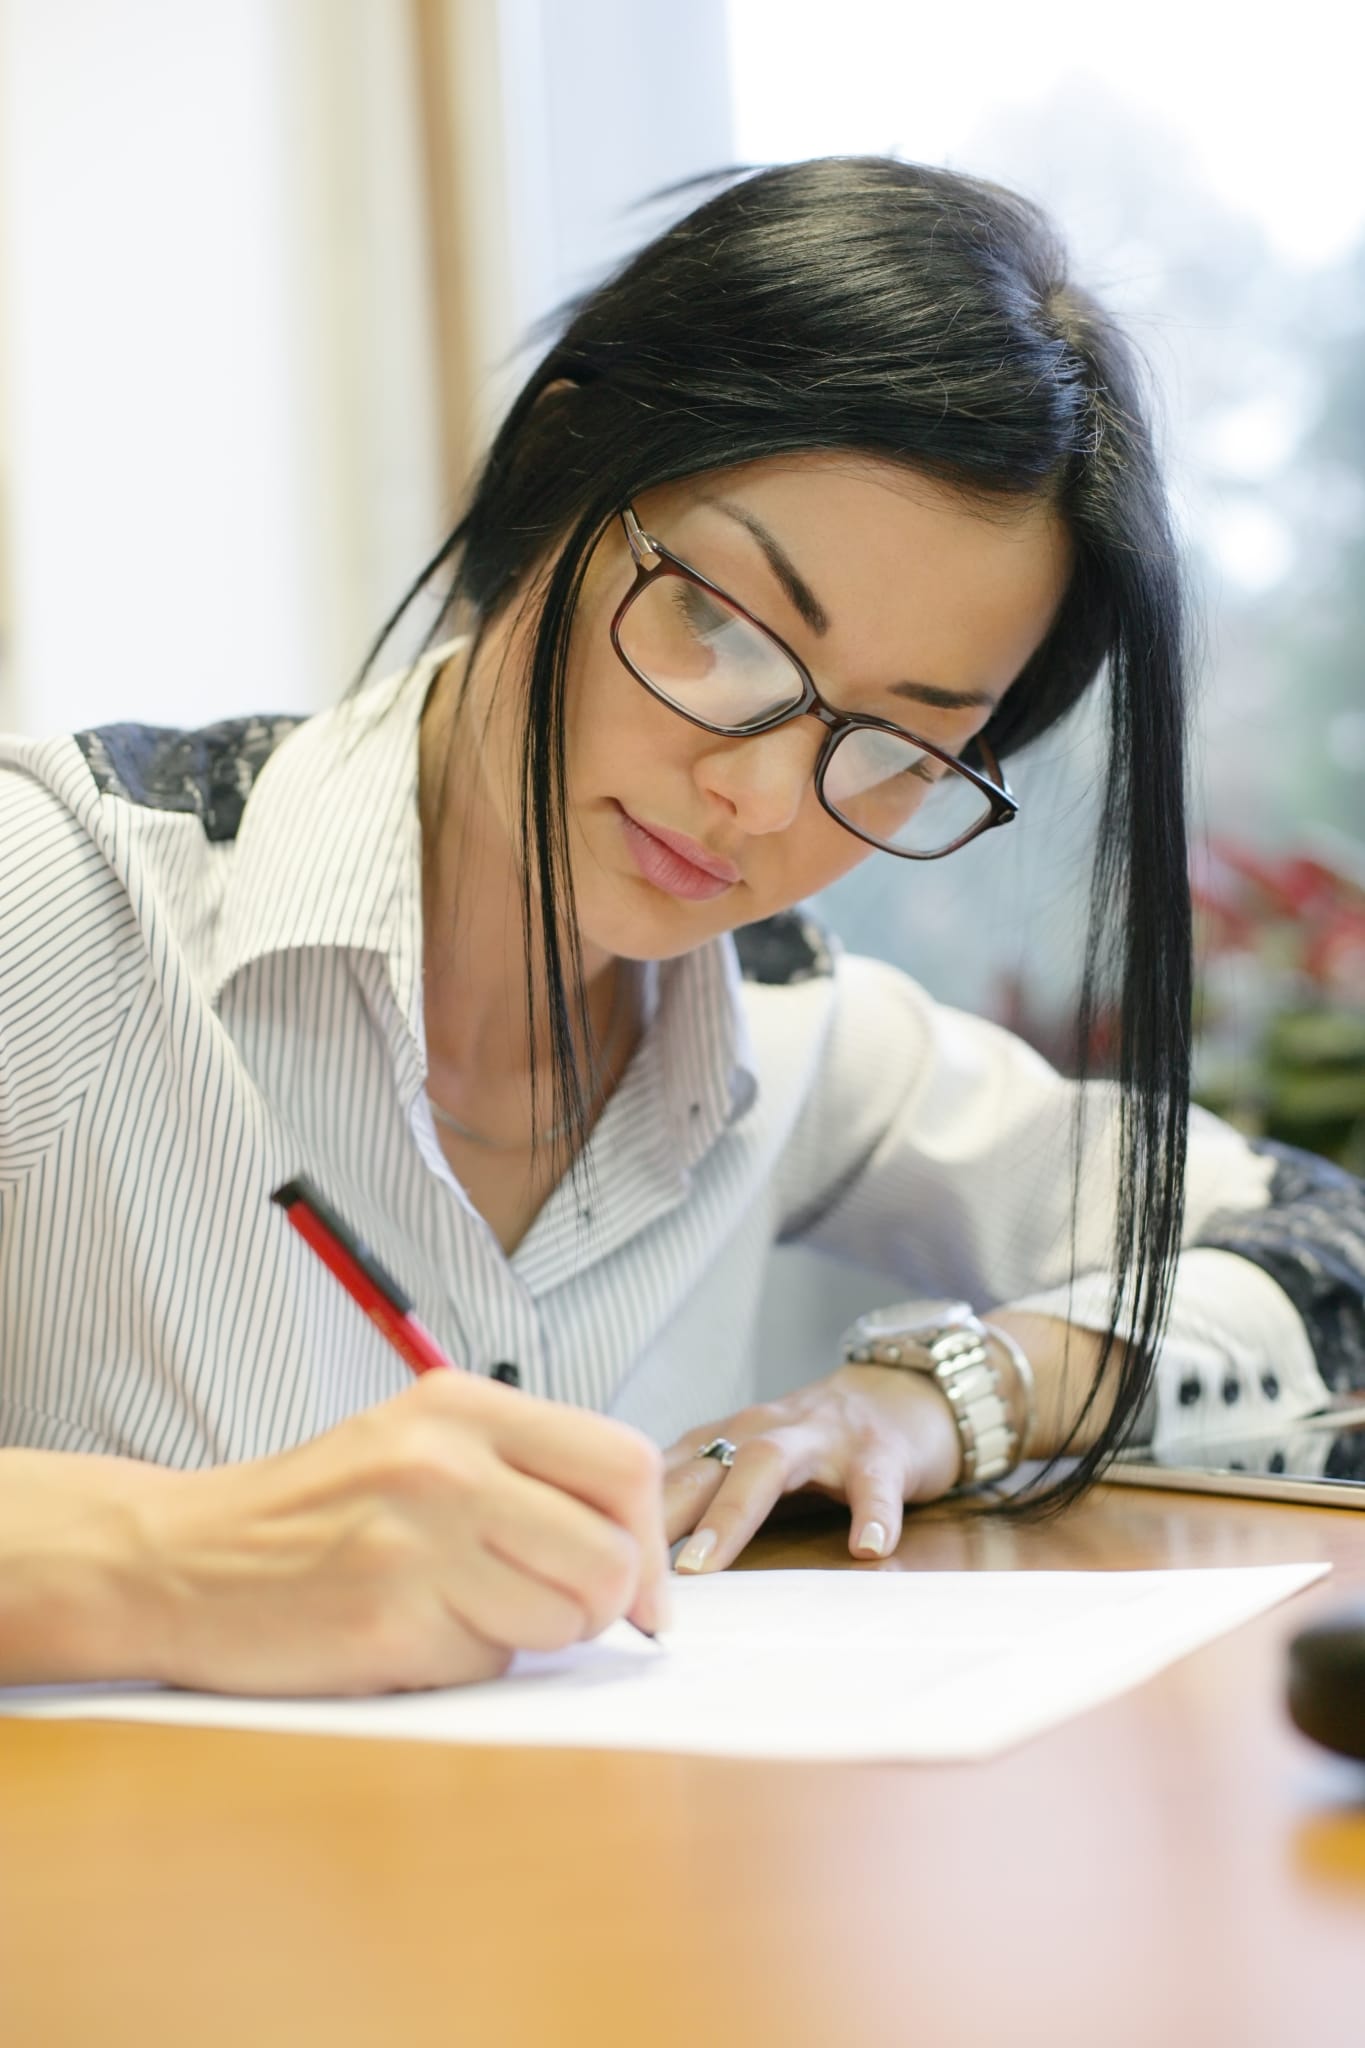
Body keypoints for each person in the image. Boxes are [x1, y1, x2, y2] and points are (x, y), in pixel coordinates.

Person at [2, 157, 1361, 1699]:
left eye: (899, 747)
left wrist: (932, 1399)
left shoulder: (791, 1031)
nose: (765, 797)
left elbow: (1323, 1246)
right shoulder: (67, 898)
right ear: (556, 474)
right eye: (719, 627)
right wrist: (184, 1557)